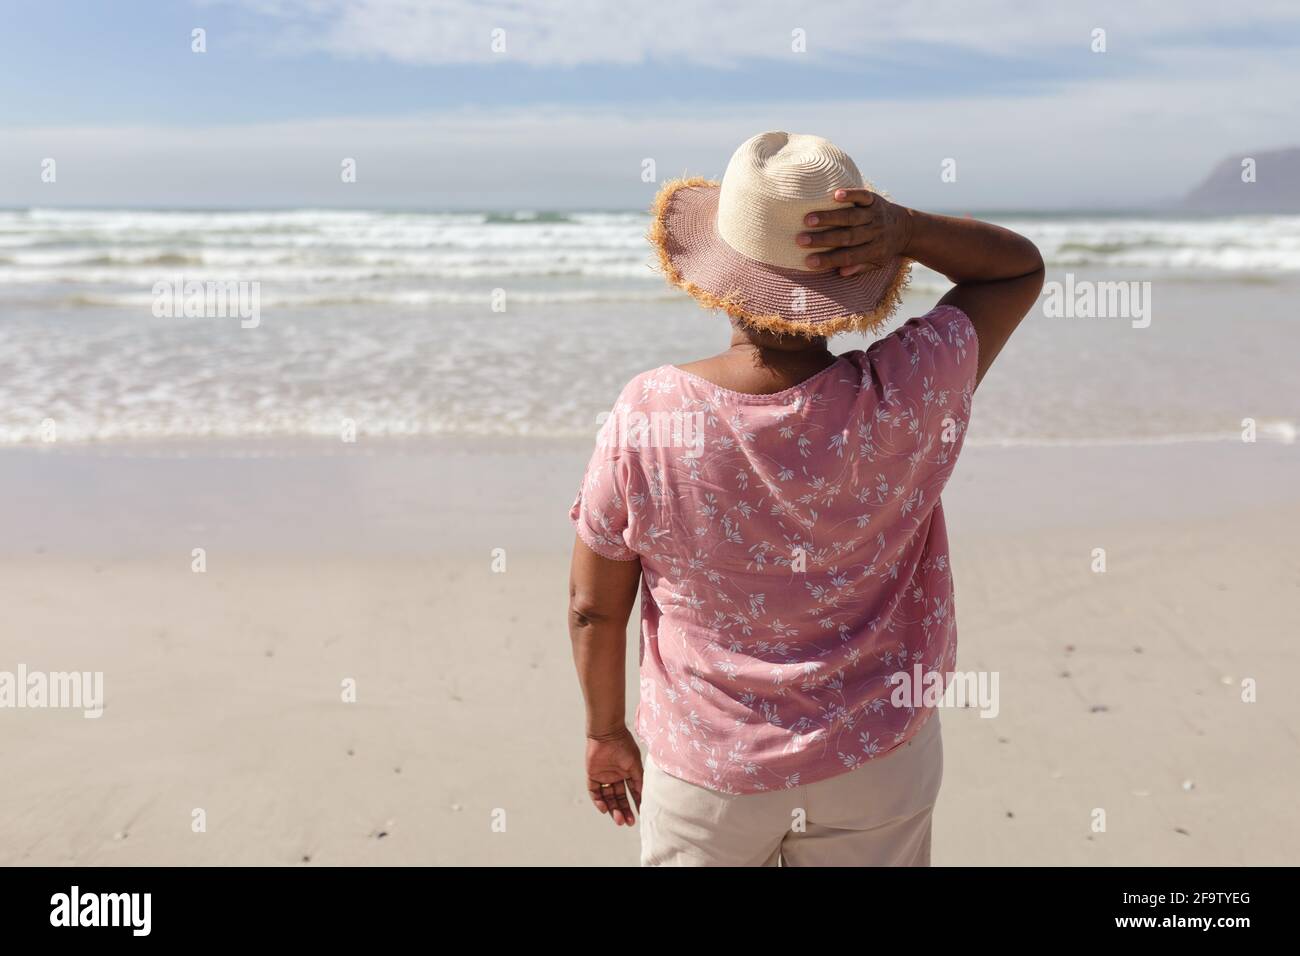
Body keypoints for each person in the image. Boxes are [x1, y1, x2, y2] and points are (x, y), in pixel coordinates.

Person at [567, 131, 1043, 866]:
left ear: (720, 275)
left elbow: (594, 605)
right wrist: (908, 230)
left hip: (710, 766)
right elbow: (1016, 271)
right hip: (877, 754)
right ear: (857, 276)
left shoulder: (650, 410)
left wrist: (605, 731)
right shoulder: (911, 387)